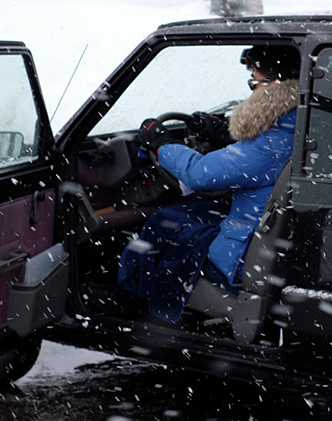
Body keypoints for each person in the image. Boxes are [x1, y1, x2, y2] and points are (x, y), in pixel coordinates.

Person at [118, 45, 300, 323]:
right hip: (269, 231)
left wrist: (161, 143)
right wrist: (222, 134)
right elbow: (252, 158)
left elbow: (197, 173)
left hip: (243, 250)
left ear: (276, 86)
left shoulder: (271, 144)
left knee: (162, 223)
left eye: (255, 82)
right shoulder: (301, 125)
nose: (252, 90)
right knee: (186, 215)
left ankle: (141, 303)